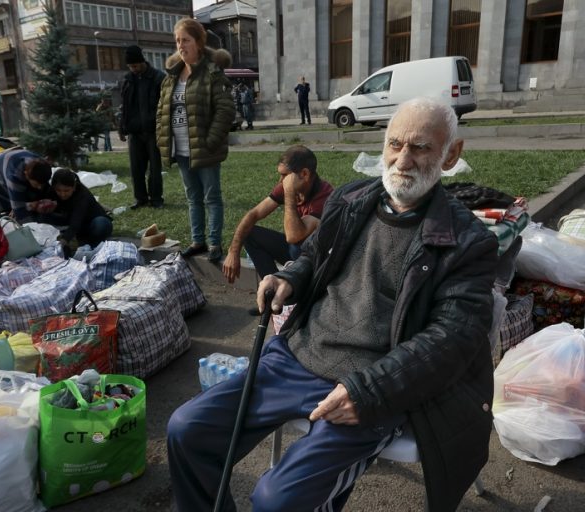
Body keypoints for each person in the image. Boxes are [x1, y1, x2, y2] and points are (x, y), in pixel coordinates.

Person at [167, 97, 499, 511]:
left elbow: (453, 340)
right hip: (296, 356)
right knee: (187, 430)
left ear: (451, 155)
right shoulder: (352, 200)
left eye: (420, 148)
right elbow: (313, 256)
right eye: (395, 144)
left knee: (278, 499)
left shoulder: (469, 242)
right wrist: (289, 276)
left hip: (372, 385)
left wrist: (369, 391)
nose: (403, 159)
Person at [156, 18, 235, 263]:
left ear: (198, 43)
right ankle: (197, 240)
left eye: (186, 40)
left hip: (204, 148)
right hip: (180, 148)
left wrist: (211, 140)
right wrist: (164, 141)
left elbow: (225, 110)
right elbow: (161, 111)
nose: (181, 45)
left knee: (211, 197)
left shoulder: (212, 72)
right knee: (193, 197)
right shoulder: (171, 76)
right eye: (178, 41)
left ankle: (213, 243)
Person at [221, 145, 333, 286]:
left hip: (314, 261)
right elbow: (253, 214)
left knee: (296, 243)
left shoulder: (325, 195)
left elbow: (294, 236)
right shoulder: (289, 186)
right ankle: (272, 292)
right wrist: (233, 251)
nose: (281, 181)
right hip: (296, 253)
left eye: (285, 175)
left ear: (304, 174)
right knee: (249, 234)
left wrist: (289, 194)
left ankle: (288, 297)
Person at [118, 45, 166, 209]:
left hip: (153, 130)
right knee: (136, 168)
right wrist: (122, 127)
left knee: (154, 168)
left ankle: (156, 198)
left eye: (136, 65)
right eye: (131, 66)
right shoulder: (127, 80)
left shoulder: (158, 78)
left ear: (142, 62)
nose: (134, 69)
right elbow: (124, 106)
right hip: (134, 131)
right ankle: (140, 198)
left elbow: (165, 105)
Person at [33, 168, 112, 251]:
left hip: (89, 223)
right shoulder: (51, 192)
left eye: (66, 190)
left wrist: (63, 242)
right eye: (58, 190)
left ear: (74, 187)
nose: (62, 194)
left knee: (101, 224)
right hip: (69, 222)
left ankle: (89, 243)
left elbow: (76, 221)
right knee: (42, 216)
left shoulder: (82, 195)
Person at [0, 148, 52, 224]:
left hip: (9, 161)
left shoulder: (40, 166)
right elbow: (19, 210)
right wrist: (32, 230)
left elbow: (45, 189)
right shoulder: (15, 176)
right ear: (26, 175)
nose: (39, 187)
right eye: (36, 184)